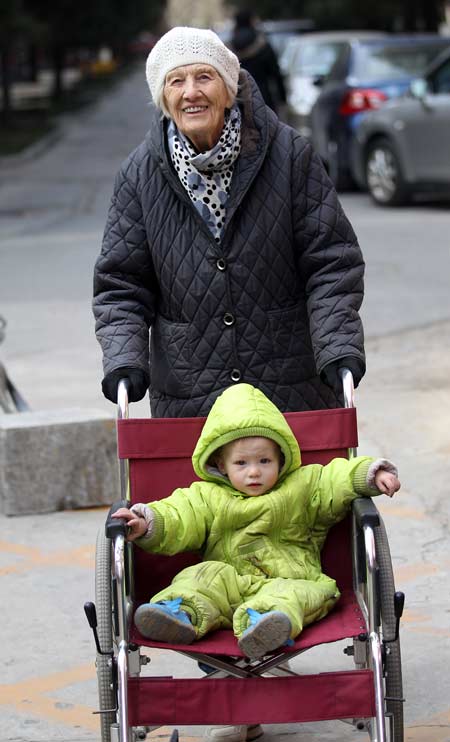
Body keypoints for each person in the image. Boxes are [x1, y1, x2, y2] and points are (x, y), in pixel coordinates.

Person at [92, 26, 366, 419]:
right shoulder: (138, 174)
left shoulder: (289, 155)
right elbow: (121, 284)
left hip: (289, 386)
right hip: (191, 397)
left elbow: (332, 262)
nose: (191, 93)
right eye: (176, 81)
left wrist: (338, 345)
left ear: (228, 87)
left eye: (204, 77)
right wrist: (124, 360)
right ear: (163, 98)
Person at [113, 383, 400, 658]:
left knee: (293, 594)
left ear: (281, 459)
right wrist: (144, 523)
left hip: (291, 577)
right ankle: (179, 613)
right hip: (229, 580)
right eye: (241, 463)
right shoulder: (206, 496)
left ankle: (264, 625)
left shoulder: (303, 485)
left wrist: (372, 475)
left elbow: (337, 478)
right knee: (200, 576)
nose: (254, 472)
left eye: (265, 461)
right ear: (220, 465)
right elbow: (178, 515)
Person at [229, 10, 287, 114]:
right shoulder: (263, 44)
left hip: (238, 100)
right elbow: (276, 73)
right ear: (251, 21)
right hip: (263, 97)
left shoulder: (229, 48)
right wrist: (283, 98)